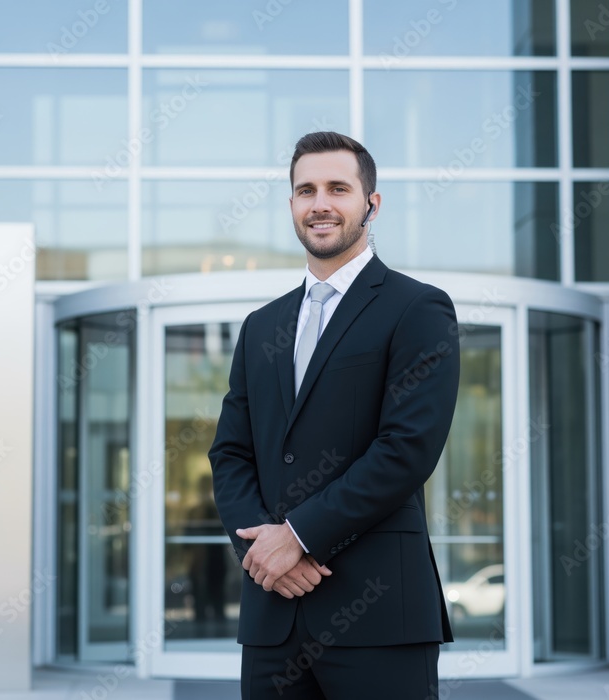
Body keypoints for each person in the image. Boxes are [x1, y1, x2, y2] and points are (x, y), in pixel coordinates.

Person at [208, 131, 459, 699]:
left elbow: (406, 449)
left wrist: (298, 537)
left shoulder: (417, 308)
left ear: (372, 203)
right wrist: (264, 553)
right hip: (274, 612)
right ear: (292, 205)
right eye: (306, 191)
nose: (319, 203)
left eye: (337, 188)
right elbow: (230, 453)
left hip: (378, 614)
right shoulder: (261, 327)